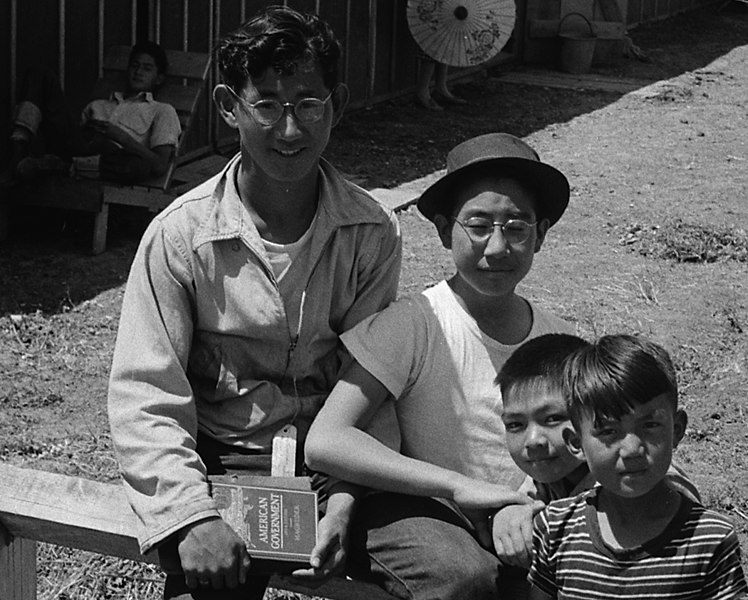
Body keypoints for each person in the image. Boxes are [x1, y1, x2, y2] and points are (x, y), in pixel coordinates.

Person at [107, 6, 401, 599]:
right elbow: (146, 395)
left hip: (334, 462)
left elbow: (369, 384)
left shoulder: (371, 232)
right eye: (266, 103)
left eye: (308, 103)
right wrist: (193, 515)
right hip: (222, 463)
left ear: (336, 105)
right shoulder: (180, 237)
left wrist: (344, 501)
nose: (289, 130)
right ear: (227, 106)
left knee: (460, 572)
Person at [305, 132, 575, 600]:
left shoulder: (560, 342)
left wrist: (530, 509)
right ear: (444, 229)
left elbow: (586, 450)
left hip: (528, 525)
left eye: (516, 228)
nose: (496, 248)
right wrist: (459, 488)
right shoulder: (416, 323)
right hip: (433, 516)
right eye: (478, 225)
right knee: (465, 576)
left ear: (542, 233)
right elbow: (327, 441)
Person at [528, 334, 748, 599]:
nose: (632, 449)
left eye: (650, 425)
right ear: (576, 443)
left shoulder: (709, 540)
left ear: (676, 430)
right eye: (608, 430)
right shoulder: (556, 528)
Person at [492, 333, 701, 580]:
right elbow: (525, 507)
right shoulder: (551, 476)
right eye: (516, 425)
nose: (534, 440)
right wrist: (508, 514)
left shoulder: (643, 479)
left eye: (552, 419)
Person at [3, 40, 181, 184]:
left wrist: (121, 137)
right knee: (38, 74)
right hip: (78, 143)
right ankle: (18, 151)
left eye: (147, 68)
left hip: (111, 156)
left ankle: (64, 166)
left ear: (159, 78)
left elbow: (158, 165)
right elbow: (71, 139)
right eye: (135, 66)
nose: (138, 72)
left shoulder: (162, 110)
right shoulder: (98, 104)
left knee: (139, 167)